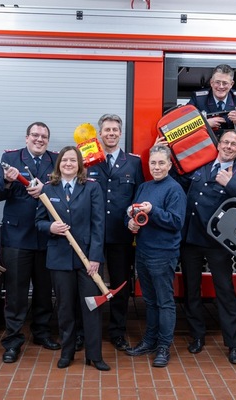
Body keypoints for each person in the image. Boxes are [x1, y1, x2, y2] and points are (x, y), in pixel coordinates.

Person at [177, 130, 236, 365]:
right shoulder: (199, 166)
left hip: (217, 243)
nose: (229, 146)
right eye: (225, 142)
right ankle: (197, 336)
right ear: (218, 144)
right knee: (191, 291)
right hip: (191, 239)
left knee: (225, 293)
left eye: (234, 144)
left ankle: (233, 345)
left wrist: (230, 184)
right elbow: (178, 179)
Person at [0, 122, 60, 363]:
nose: (39, 139)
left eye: (44, 136)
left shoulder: (57, 160)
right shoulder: (10, 158)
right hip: (18, 238)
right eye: (35, 135)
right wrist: (8, 182)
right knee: (17, 293)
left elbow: (64, 190)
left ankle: (41, 332)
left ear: (48, 140)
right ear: (27, 137)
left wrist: (47, 188)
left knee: (44, 290)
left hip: (46, 237)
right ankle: (12, 340)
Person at [35, 146, 108, 371]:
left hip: (87, 259)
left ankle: (94, 356)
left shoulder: (92, 188)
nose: (68, 164)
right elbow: (38, 222)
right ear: (59, 164)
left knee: (91, 307)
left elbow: (98, 225)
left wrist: (95, 258)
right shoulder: (48, 189)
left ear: (79, 165)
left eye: (73, 160)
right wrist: (50, 227)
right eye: (64, 160)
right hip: (59, 260)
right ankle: (67, 353)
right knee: (65, 308)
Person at [86, 114, 145, 351]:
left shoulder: (133, 162)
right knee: (90, 286)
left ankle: (117, 332)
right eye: (107, 129)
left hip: (121, 236)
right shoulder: (89, 159)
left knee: (120, 286)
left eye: (115, 130)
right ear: (100, 133)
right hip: (92, 236)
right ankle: (87, 331)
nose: (111, 133)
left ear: (121, 133)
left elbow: (138, 197)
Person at [123, 145, 185, 368]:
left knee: (164, 302)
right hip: (143, 251)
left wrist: (154, 211)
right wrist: (129, 221)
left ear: (169, 165)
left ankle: (163, 347)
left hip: (163, 254)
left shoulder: (174, 189)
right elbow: (131, 211)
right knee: (149, 301)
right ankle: (149, 341)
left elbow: (176, 222)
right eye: (153, 163)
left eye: (161, 163)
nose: (156, 167)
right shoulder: (144, 187)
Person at [188, 64, 236, 135]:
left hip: (229, 145)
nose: (221, 86)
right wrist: (205, 124)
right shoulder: (199, 99)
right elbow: (182, 124)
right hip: (206, 144)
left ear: (231, 84)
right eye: (217, 82)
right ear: (211, 82)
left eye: (225, 83)